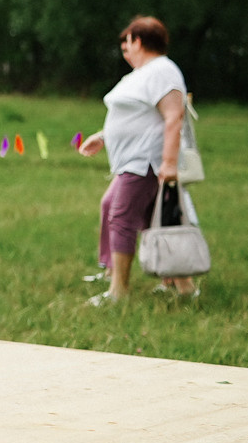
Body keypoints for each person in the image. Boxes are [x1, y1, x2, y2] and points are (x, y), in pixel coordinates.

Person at [77, 16, 195, 305]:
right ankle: (184, 288)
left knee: (122, 218)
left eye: (127, 42)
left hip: (146, 161)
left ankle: (118, 292)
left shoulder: (162, 71)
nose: (125, 49)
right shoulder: (144, 73)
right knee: (155, 222)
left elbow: (173, 116)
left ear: (137, 40)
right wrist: (103, 136)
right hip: (134, 160)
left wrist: (168, 163)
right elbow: (136, 117)